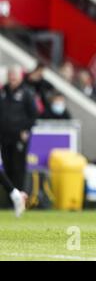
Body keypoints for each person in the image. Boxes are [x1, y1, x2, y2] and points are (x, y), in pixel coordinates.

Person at [0, 67, 38, 217]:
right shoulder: (3, 92)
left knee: (17, 168)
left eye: (14, 76)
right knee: (7, 167)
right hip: (4, 136)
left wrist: (25, 130)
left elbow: (33, 115)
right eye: (10, 75)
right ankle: (14, 196)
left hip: (18, 136)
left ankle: (17, 196)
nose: (12, 79)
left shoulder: (27, 93)